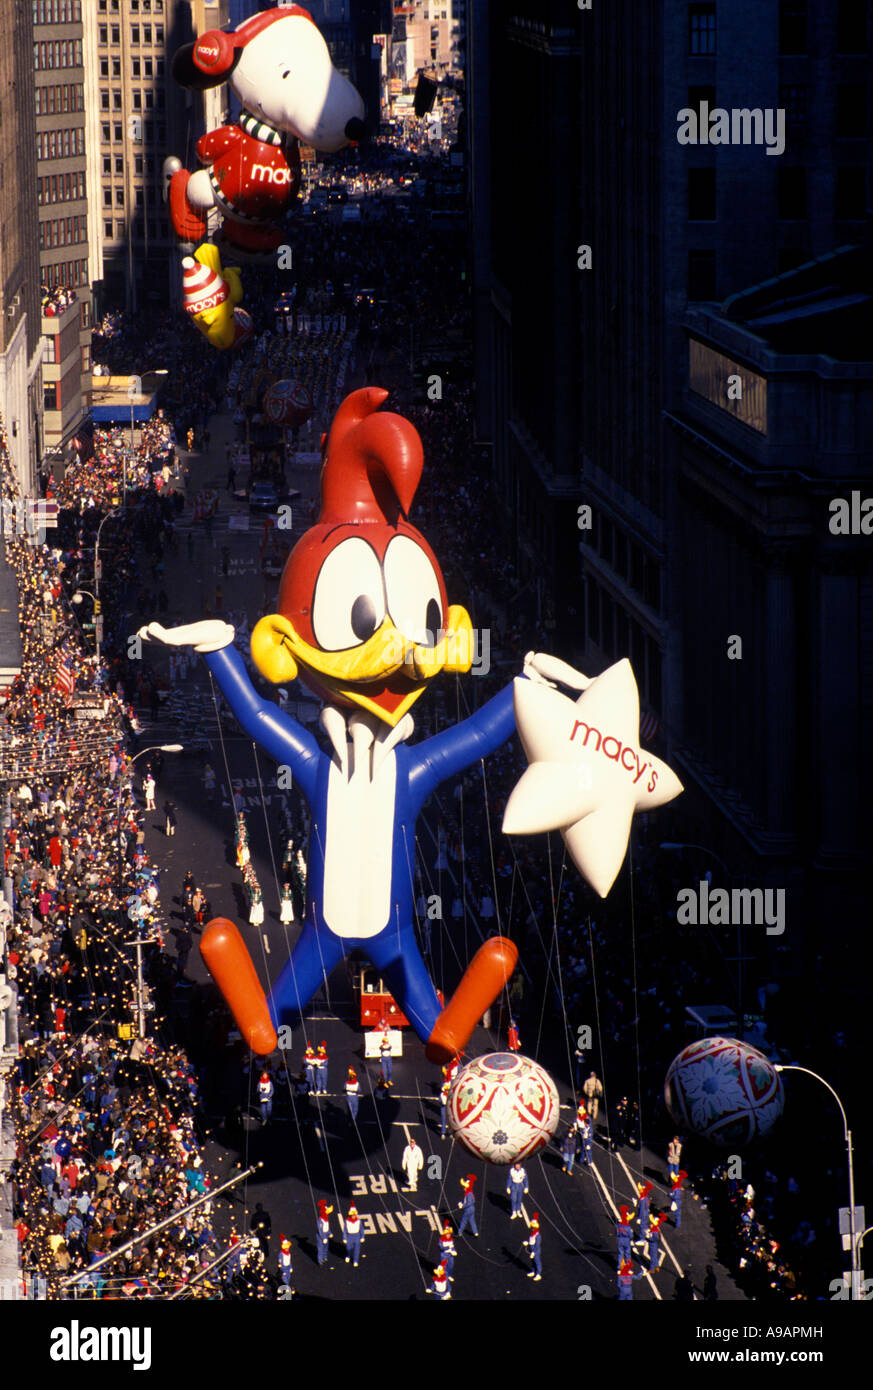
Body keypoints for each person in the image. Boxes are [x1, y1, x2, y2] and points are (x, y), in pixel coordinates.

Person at [525, 1212, 542, 1281]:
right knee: (532, 1261)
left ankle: (538, 1274)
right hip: (531, 1249)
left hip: (535, 1250)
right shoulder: (532, 1233)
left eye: (532, 1227)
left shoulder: (537, 1235)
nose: (531, 1228)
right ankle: (533, 1271)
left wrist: (533, 1252)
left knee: (537, 1261)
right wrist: (527, 1243)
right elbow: (531, 1241)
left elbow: (537, 1245)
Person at [316, 1200, 332, 1267]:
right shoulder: (320, 1220)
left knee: (326, 1246)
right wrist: (323, 1237)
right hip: (321, 1236)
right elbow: (320, 1230)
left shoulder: (326, 1219)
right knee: (320, 1247)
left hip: (326, 1234)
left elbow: (327, 1228)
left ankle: (324, 1257)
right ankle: (320, 1261)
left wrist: (330, 1233)